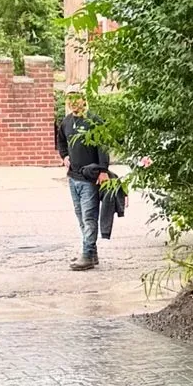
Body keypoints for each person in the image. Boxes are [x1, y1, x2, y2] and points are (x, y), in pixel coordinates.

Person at [54, 99, 110, 271]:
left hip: (90, 178)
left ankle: (86, 254)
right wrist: (64, 156)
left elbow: (103, 146)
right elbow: (61, 141)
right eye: (69, 97)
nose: (73, 102)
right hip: (73, 178)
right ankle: (91, 253)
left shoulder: (94, 121)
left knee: (89, 217)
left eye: (76, 97)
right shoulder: (67, 122)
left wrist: (103, 170)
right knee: (81, 217)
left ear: (84, 99)